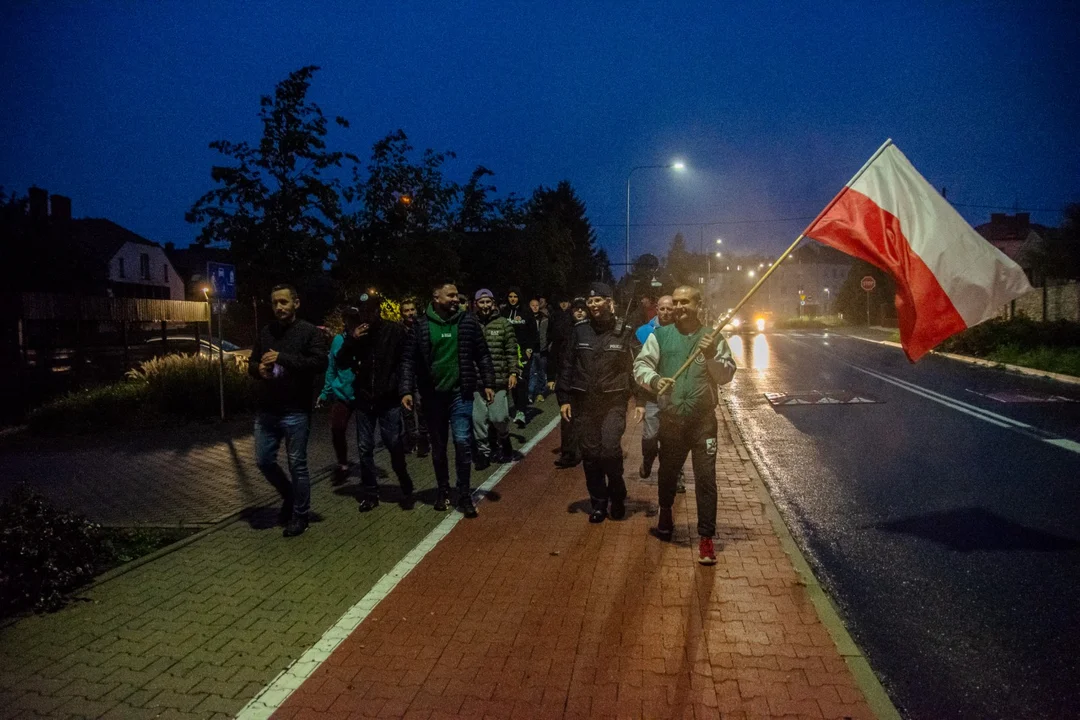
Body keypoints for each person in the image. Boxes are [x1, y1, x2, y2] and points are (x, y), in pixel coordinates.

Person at [633, 285, 736, 565]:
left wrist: (713, 354)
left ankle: (705, 538)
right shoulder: (661, 336)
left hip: (703, 423)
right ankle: (665, 514)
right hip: (673, 420)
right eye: (675, 302)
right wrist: (654, 381)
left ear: (698, 304)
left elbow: (726, 375)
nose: (679, 307)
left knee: (705, 480)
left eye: (685, 302)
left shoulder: (712, 338)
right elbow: (640, 366)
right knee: (667, 474)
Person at [401, 281, 496, 518]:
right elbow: (408, 361)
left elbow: (482, 353)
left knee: (463, 442)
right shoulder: (420, 326)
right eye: (450, 295)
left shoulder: (467, 322)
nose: (456, 299)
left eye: (456, 295)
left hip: (460, 393)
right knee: (439, 447)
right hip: (432, 397)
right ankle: (443, 489)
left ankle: (464, 494)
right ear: (436, 297)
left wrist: (488, 383)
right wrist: (406, 390)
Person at [249, 284, 328, 537]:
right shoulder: (266, 331)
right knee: (263, 460)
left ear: (296, 303)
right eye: (275, 303)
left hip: (296, 409)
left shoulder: (308, 332)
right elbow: (253, 359)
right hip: (267, 409)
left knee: (298, 465)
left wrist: (282, 357)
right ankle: (289, 495)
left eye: (284, 302)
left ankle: (300, 516)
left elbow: (319, 363)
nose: (279, 307)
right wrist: (256, 369)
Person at [557, 283, 640, 524]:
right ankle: (599, 503)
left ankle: (617, 491)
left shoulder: (624, 331)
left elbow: (635, 367)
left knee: (610, 449)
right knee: (591, 455)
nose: (593, 305)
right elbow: (567, 365)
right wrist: (564, 398)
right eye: (590, 301)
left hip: (613, 401)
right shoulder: (579, 331)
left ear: (609, 302)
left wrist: (642, 400)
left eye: (598, 300)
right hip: (585, 403)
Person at [336, 293, 414, 512]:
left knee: (393, 442)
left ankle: (403, 477)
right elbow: (340, 361)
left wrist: (404, 389)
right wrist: (353, 339)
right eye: (362, 312)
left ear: (377, 311)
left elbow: (405, 362)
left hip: (388, 399)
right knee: (364, 447)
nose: (366, 316)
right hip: (364, 400)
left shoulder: (394, 331)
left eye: (369, 311)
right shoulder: (358, 334)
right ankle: (370, 492)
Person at [632, 295, 677, 483]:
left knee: (674, 440)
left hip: (674, 397)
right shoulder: (644, 332)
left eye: (669, 309)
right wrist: (640, 402)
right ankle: (648, 460)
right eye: (662, 309)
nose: (666, 312)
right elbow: (638, 369)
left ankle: (676, 475)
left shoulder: (681, 331)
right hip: (651, 395)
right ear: (656, 309)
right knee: (650, 437)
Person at [472, 289, 519, 470]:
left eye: (488, 302)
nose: (485, 306)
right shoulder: (470, 324)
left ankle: (504, 438)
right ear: (476, 304)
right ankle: (483, 453)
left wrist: (513, 372)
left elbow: (511, 350)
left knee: (499, 417)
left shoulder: (504, 324)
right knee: (479, 420)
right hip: (477, 381)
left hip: (499, 379)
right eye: (481, 302)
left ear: (493, 303)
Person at [318, 306, 360, 484]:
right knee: (337, 428)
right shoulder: (338, 340)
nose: (350, 322)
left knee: (364, 435)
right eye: (348, 319)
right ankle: (342, 464)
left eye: (354, 319)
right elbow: (331, 368)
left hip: (362, 393)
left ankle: (366, 468)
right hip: (342, 393)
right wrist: (325, 392)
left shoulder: (364, 338)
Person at [549, 297, 587, 468]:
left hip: (585, 380)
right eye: (576, 309)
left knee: (585, 417)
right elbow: (554, 352)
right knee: (567, 417)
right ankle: (569, 453)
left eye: (583, 309)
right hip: (566, 378)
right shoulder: (564, 329)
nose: (579, 311)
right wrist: (551, 377)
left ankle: (584, 449)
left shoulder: (591, 330)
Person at [502, 287, 537, 427]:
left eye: (515, 296)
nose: (512, 299)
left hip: (522, 352)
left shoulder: (526, 313)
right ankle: (515, 407)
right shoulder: (504, 313)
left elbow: (533, 333)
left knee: (522, 381)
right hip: (507, 352)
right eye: (510, 296)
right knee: (511, 382)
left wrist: (529, 350)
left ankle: (521, 411)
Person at [399, 299, 429, 458]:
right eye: (406, 310)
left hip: (420, 374)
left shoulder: (421, 327)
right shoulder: (398, 331)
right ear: (401, 313)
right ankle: (412, 438)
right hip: (404, 376)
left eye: (412, 309)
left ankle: (424, 438)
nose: (410, 313)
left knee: (421, 406)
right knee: (407, 410)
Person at [528, 297, 550, 403]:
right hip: (531, 350)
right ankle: (530, 393)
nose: (535, 307)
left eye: (537, 305)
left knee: (541, 372)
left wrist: (548, 346)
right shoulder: (527, 318)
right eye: (533, 305)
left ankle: (540, 393)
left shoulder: (545, 318)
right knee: (531, 372)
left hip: (542, 349)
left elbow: (549, 333)